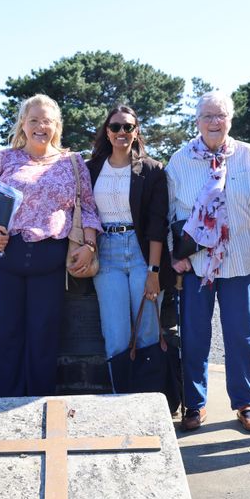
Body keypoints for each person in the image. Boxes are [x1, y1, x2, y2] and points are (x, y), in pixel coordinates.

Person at [0, 94, 101, 396]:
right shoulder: (5, 159)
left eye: (47, 121)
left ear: (57, 126)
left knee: (44, 336)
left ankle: (38, 403)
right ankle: (4, 404)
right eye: (34, 120)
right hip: (6, 254)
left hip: (50, 258)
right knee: (5, 334)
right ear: (23, 124)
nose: (41, 126)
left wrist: (90, 245)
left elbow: (88, 208)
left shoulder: (72, 162)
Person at [167, 92, 250, 433]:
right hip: (197, 263)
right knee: (195, 336)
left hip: (242, 257)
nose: (214, 122)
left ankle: (246, 403)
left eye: (221, 115)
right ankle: (194, 404)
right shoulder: (179, 161)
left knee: (242, 335)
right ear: (197, 121)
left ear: (230, 119)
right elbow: (167, 211)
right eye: (207, 116)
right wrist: (175, 255)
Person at [85, 106, 173, 375]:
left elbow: (158, 224)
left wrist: (153, 271)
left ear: (136, 132)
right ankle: (120, 396)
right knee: (116, 336)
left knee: (147, 333)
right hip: (106, 252)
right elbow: (85, 212)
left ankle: (149, 397)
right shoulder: (90, 169)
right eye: (115, 127)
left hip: (141, 253)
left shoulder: (152, 170)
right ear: (107, 132)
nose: (121, 132)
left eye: (128, 127)